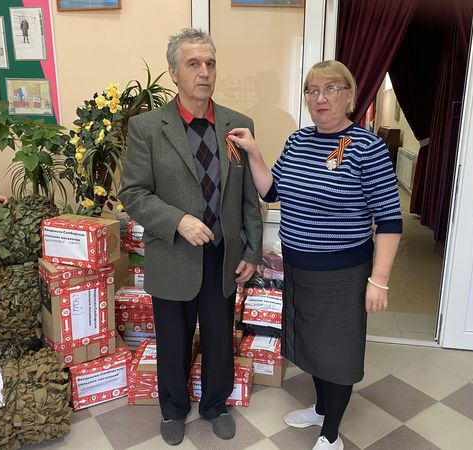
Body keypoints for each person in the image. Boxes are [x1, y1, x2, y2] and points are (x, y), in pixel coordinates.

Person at [227, 60, 402, 450]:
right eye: (313, 90)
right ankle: (322, 409)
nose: (320, 98)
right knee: (312, 345)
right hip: (299, 267)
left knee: (337, 352)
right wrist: (254, 151)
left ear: (349, 95)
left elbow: (390, 220)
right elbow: (272, 190)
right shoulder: (298, 141)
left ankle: (331, 435)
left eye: (331, 89)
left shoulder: (367, 147)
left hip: (343, 272)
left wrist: (379, 281)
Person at [118, 28, 262, 446]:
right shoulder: (147, 127)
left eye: (210, 64)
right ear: (173, 72)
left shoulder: (238, 125)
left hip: (223, 254)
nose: (204, 72)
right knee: (173, 340)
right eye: (193, 64)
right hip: (173, 252)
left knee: (219, 338)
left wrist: (252, 249)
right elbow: (133, 192)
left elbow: (248, 196)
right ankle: (173, 409)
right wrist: (177, 220)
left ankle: (216, 405)